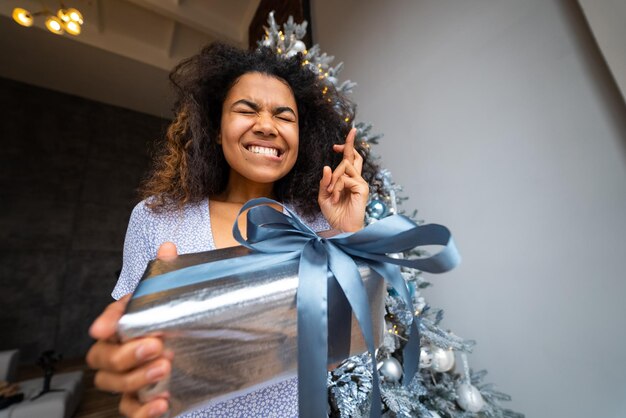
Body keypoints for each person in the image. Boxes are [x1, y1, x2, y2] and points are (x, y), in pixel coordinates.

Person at [86, 42, 378, 418]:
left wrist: (346, 231)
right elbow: (128, 341)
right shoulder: (155, 217)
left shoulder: (318, 227)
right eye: (247, 109)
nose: (267, 126)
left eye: (284, 117)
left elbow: (334, 357)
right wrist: (125, 351)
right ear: (216, 130)